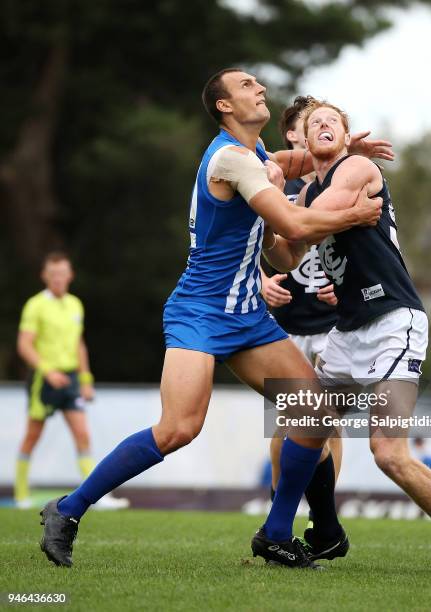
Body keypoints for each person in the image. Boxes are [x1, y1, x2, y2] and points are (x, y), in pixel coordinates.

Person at [38, 68, 384, 569]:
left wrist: (340, 154)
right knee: (179, 428)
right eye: (246, 87)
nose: (260, 89)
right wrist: (352, 213)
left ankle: (277, 532)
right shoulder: (231, 159)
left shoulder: (257, 156)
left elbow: (285, 193)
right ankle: (67, 510)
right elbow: (289, 222)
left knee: (313, 413)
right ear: (224, 107)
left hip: (246, 315)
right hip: (199, 312)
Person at [297, 98, 431, 576]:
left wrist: (280, 215)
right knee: (302, 426)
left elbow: (313, 218)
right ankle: (325, 533)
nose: (322, 125)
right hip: (346, 329)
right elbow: (285, 249)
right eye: (312, 122)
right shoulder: (304, 196)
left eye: (332, 122)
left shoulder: (356, 166)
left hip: (393, 322)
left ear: (346, 136)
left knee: (387, 453)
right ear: (302, 140)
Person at [261, 96, 345, 546]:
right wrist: (260, 279)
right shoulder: (270, 185)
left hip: (334, 326)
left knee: (327, 426)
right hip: (287, 328)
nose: (317, 129)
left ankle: (322, 520)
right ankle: (282, 514)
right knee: (287, 427)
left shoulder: (343, 180)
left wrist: (348, 286)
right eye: (307, 124)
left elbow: (377, 245)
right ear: (294, 135)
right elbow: (233, 241)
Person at [15, 252, 129, 510]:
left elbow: (79, 344)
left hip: (71, 379)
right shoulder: (35, 305)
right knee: (32, 437)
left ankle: (97, 496)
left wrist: (86, 379)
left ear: (70, 276)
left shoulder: (75, 304)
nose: (58, 278)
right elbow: (24, 344)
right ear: (45, 276)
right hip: (44, 381)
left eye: (62, 273)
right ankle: (21, 494)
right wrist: (47, 371)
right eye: (53, 273)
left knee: (83, 435)